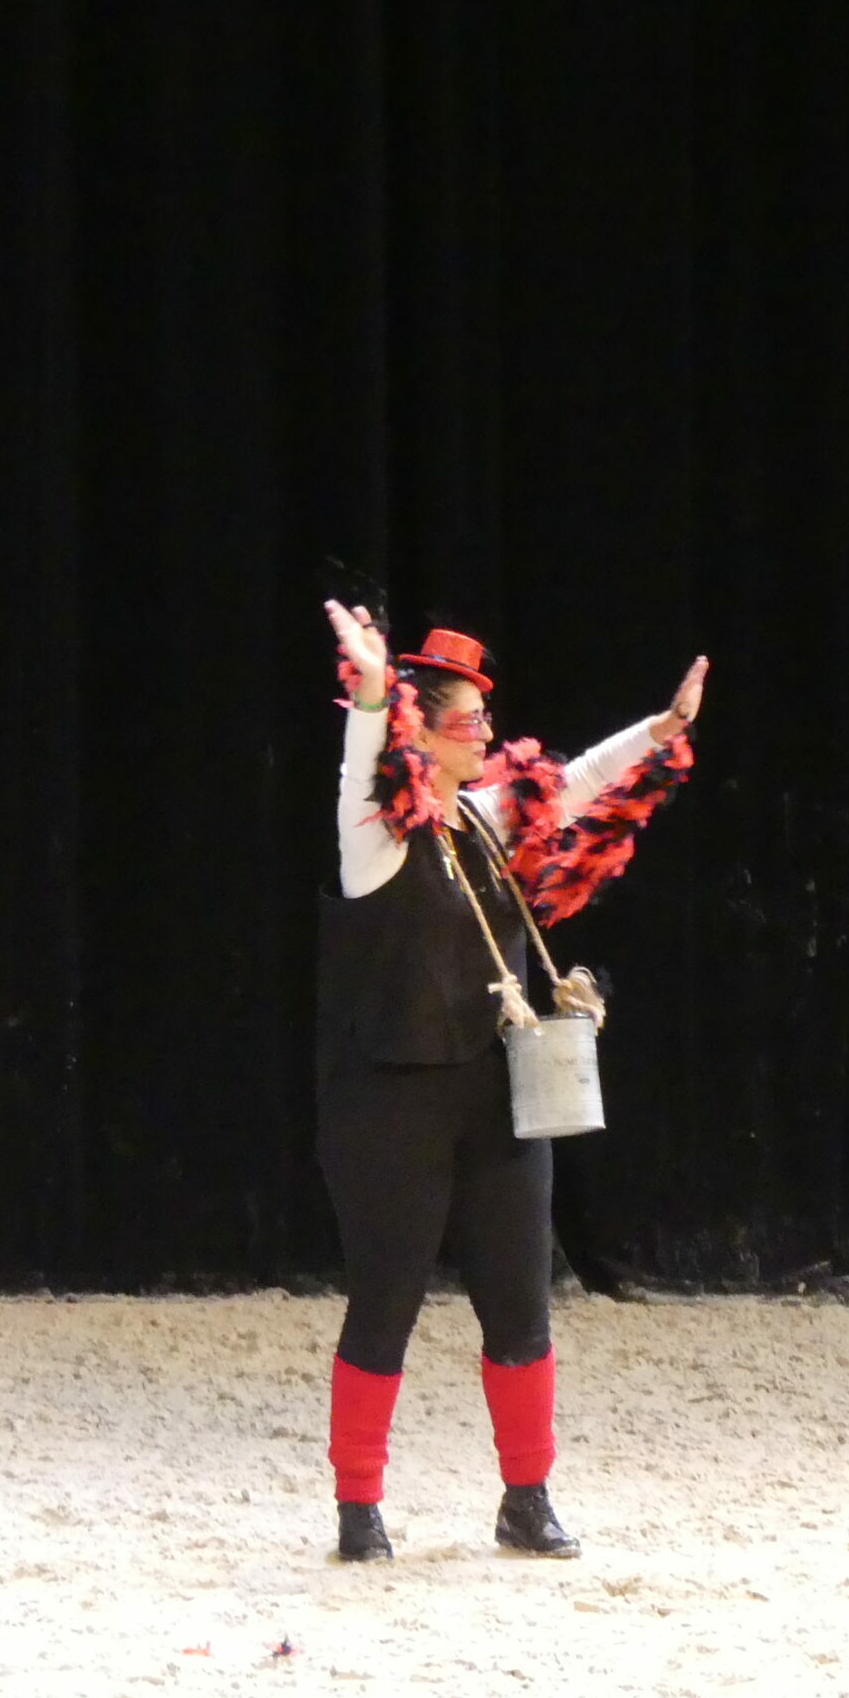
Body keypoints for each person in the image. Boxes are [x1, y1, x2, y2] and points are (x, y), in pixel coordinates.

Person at [315, 602, 706, 1562]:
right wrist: (371, 694)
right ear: (424, 733)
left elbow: (572, 783)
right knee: (386, 1301)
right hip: (395, 1103)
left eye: (486, 717)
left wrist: (658, 733)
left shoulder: (484, 823)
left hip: (496, 1097)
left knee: (521, 1300)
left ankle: (527, 1498)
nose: (487, 731)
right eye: (468, 719)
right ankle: (359, 1506)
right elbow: (361, 768)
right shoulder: (376, 841)